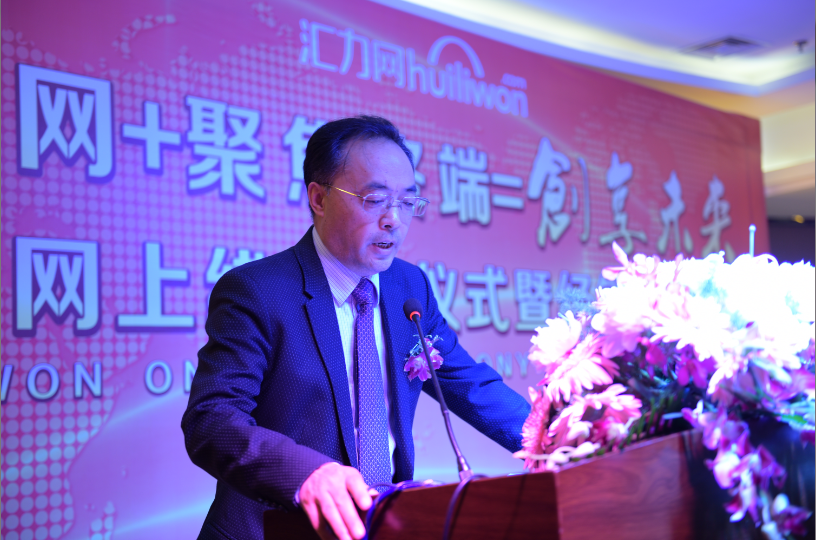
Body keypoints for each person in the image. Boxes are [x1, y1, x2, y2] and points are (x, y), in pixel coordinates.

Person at [182, 115, 531, 540]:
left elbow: (470, 384)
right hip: (272, 529)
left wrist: (556, 437)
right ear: (319, 198)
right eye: (375, 199)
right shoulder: (258, 291)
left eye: (407, 201)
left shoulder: (408, 286)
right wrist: (306, 474)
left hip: (383, 525)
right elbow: (211, 420)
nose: (394, 220)